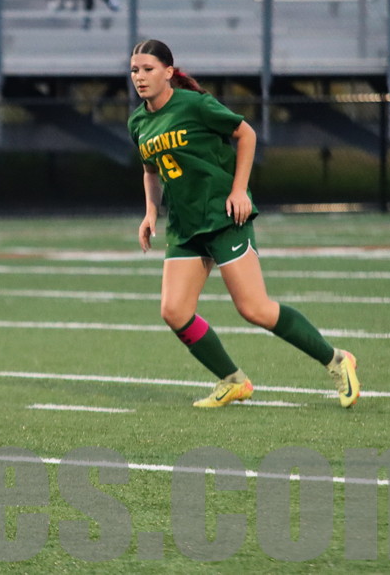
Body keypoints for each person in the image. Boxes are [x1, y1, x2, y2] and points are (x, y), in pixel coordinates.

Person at [127, 39, 360, 409]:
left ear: (168, 72)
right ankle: (233, 380)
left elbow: (246, 133)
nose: (140, 77)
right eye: (135, 70)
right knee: (174, 312)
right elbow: (150, 171)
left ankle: (337, 360)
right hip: (185, 227)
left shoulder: (195, 105)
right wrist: (151, 212)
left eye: (148, 69)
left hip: (223, 217)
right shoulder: (138, 121)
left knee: (255, 309)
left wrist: (239, 191)